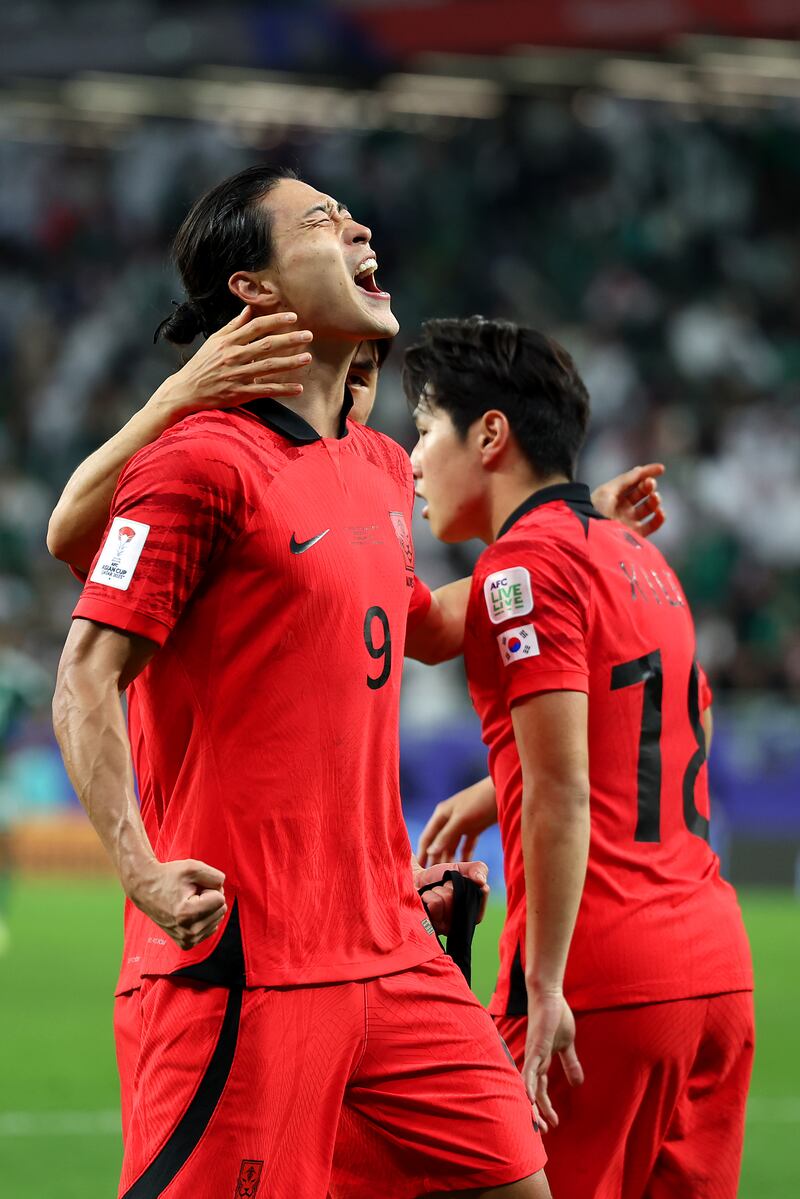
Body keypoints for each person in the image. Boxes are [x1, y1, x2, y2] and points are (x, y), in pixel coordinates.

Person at [51, 165, 552, 1199]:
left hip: (393, 946)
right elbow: (85, 674)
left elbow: (412, 622)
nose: (360, 223)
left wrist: (561, 542)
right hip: (247, 966)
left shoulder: (375, 464)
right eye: (324, 219)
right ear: (255, 290)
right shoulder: (196, 463)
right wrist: (142, 870)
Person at [407, 316, 754, 1199]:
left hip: (602, 978)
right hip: (714, 971)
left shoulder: (525, 568)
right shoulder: (641, 557)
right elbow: (650, 732)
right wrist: (501, 784)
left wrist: (546, 982)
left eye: (421, 430)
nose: (411, 461)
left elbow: (563, 792)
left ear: (490, 434)